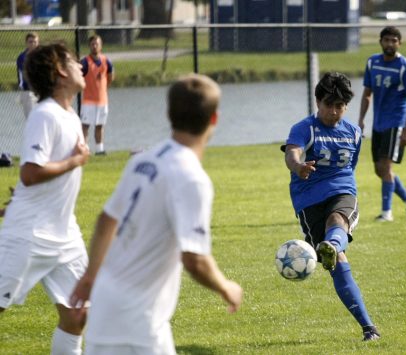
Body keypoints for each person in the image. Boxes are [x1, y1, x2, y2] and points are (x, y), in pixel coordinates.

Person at [70, 73, 243, 354]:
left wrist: (90, 278)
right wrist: (226, 288)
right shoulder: (192, 178)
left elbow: (106, 219)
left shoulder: (144, 159)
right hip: (139, 319)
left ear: (168, 113)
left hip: (105, 303)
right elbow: (194, 259)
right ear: (214, 119)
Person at [0, 43, 90, 354]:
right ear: (62, 72)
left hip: (65, 236)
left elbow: (34, 181)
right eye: (75, 62)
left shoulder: (71, 116)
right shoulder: (45, 114)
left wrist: (24, 197)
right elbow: (30, 172)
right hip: (30, 234)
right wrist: (74, 161)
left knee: (78, 314)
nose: (81, 66)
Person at [282, 72, 380, 341]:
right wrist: (298, 166)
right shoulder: (304, 128)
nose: (334, 111)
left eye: (340, 106)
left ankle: (370, 329)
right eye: (328, 105)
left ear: (346, 106)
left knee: (338, 221)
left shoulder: (354, 133)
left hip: (342, 191)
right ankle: (367, 326)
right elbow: (292, 153)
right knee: (338, 262)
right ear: (317, 101)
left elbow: (351, 167)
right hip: (308, 200)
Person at [359, 26, 406, 222]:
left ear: (399, 43)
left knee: (385, 167)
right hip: (378, 124)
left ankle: (387, 213)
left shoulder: (405, 66)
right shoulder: (372, 62)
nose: (390, 44)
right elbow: (367, 93)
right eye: (386, 40)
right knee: (379, 169)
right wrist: (361, 119)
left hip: (395, 123)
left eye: (394, 41)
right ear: (381, 42)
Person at [80, 35, 114, 155]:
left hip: (102, 100)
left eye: (97, 44)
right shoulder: (85, 62)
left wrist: (103, 88)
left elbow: (110, 77)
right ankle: (84, 149)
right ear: (89, 46)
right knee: (85, 125)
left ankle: (99, 149)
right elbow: (79, 77)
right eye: (92, 44)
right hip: (88, 100)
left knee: (100, 125)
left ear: (101, 45)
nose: (95, 46)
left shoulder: (106, 61)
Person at [16, 32, 39, 118]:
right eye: (30, 41)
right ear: (26, 43)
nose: (33, 44)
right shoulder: (22, 57)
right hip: (28, 91)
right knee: (32, 119)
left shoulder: (41, 56)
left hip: (41, 91)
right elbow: (27, 75)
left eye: (35, 42)